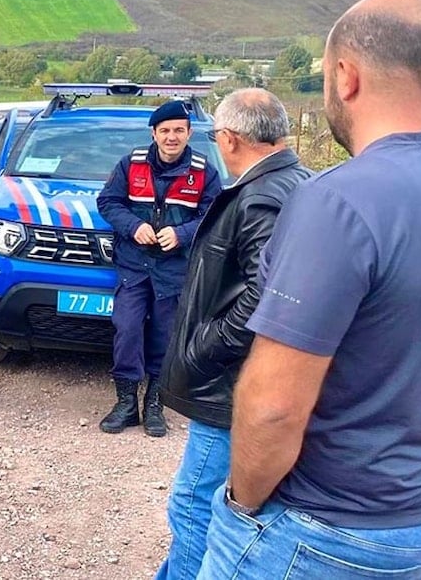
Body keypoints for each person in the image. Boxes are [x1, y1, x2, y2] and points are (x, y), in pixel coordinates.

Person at [199, 0, 421, 578]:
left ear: (345, 76)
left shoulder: (336, 202)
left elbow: (274, 408)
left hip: (330, 532)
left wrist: (240, 504)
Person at [152, 88, 311, 580]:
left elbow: (270, 293)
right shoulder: (300, 181)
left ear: (230, 139)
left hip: (234, 387)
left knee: (194, 506)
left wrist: (205, 348)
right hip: (260, 379)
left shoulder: (261, 196)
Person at [96, 100, 222, 436]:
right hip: (134, 265)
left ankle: (155, 404)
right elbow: (108, 202)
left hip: (175, 269)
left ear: (189, 133)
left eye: (179, 130)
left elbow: (214, 216)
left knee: (165, 338)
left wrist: (182, 234)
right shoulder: (131, 164)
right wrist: (133, 226)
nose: (171, 137)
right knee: (127, 330)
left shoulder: (204, 172)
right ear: (154, 133)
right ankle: (125, 404)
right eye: (165, 130)